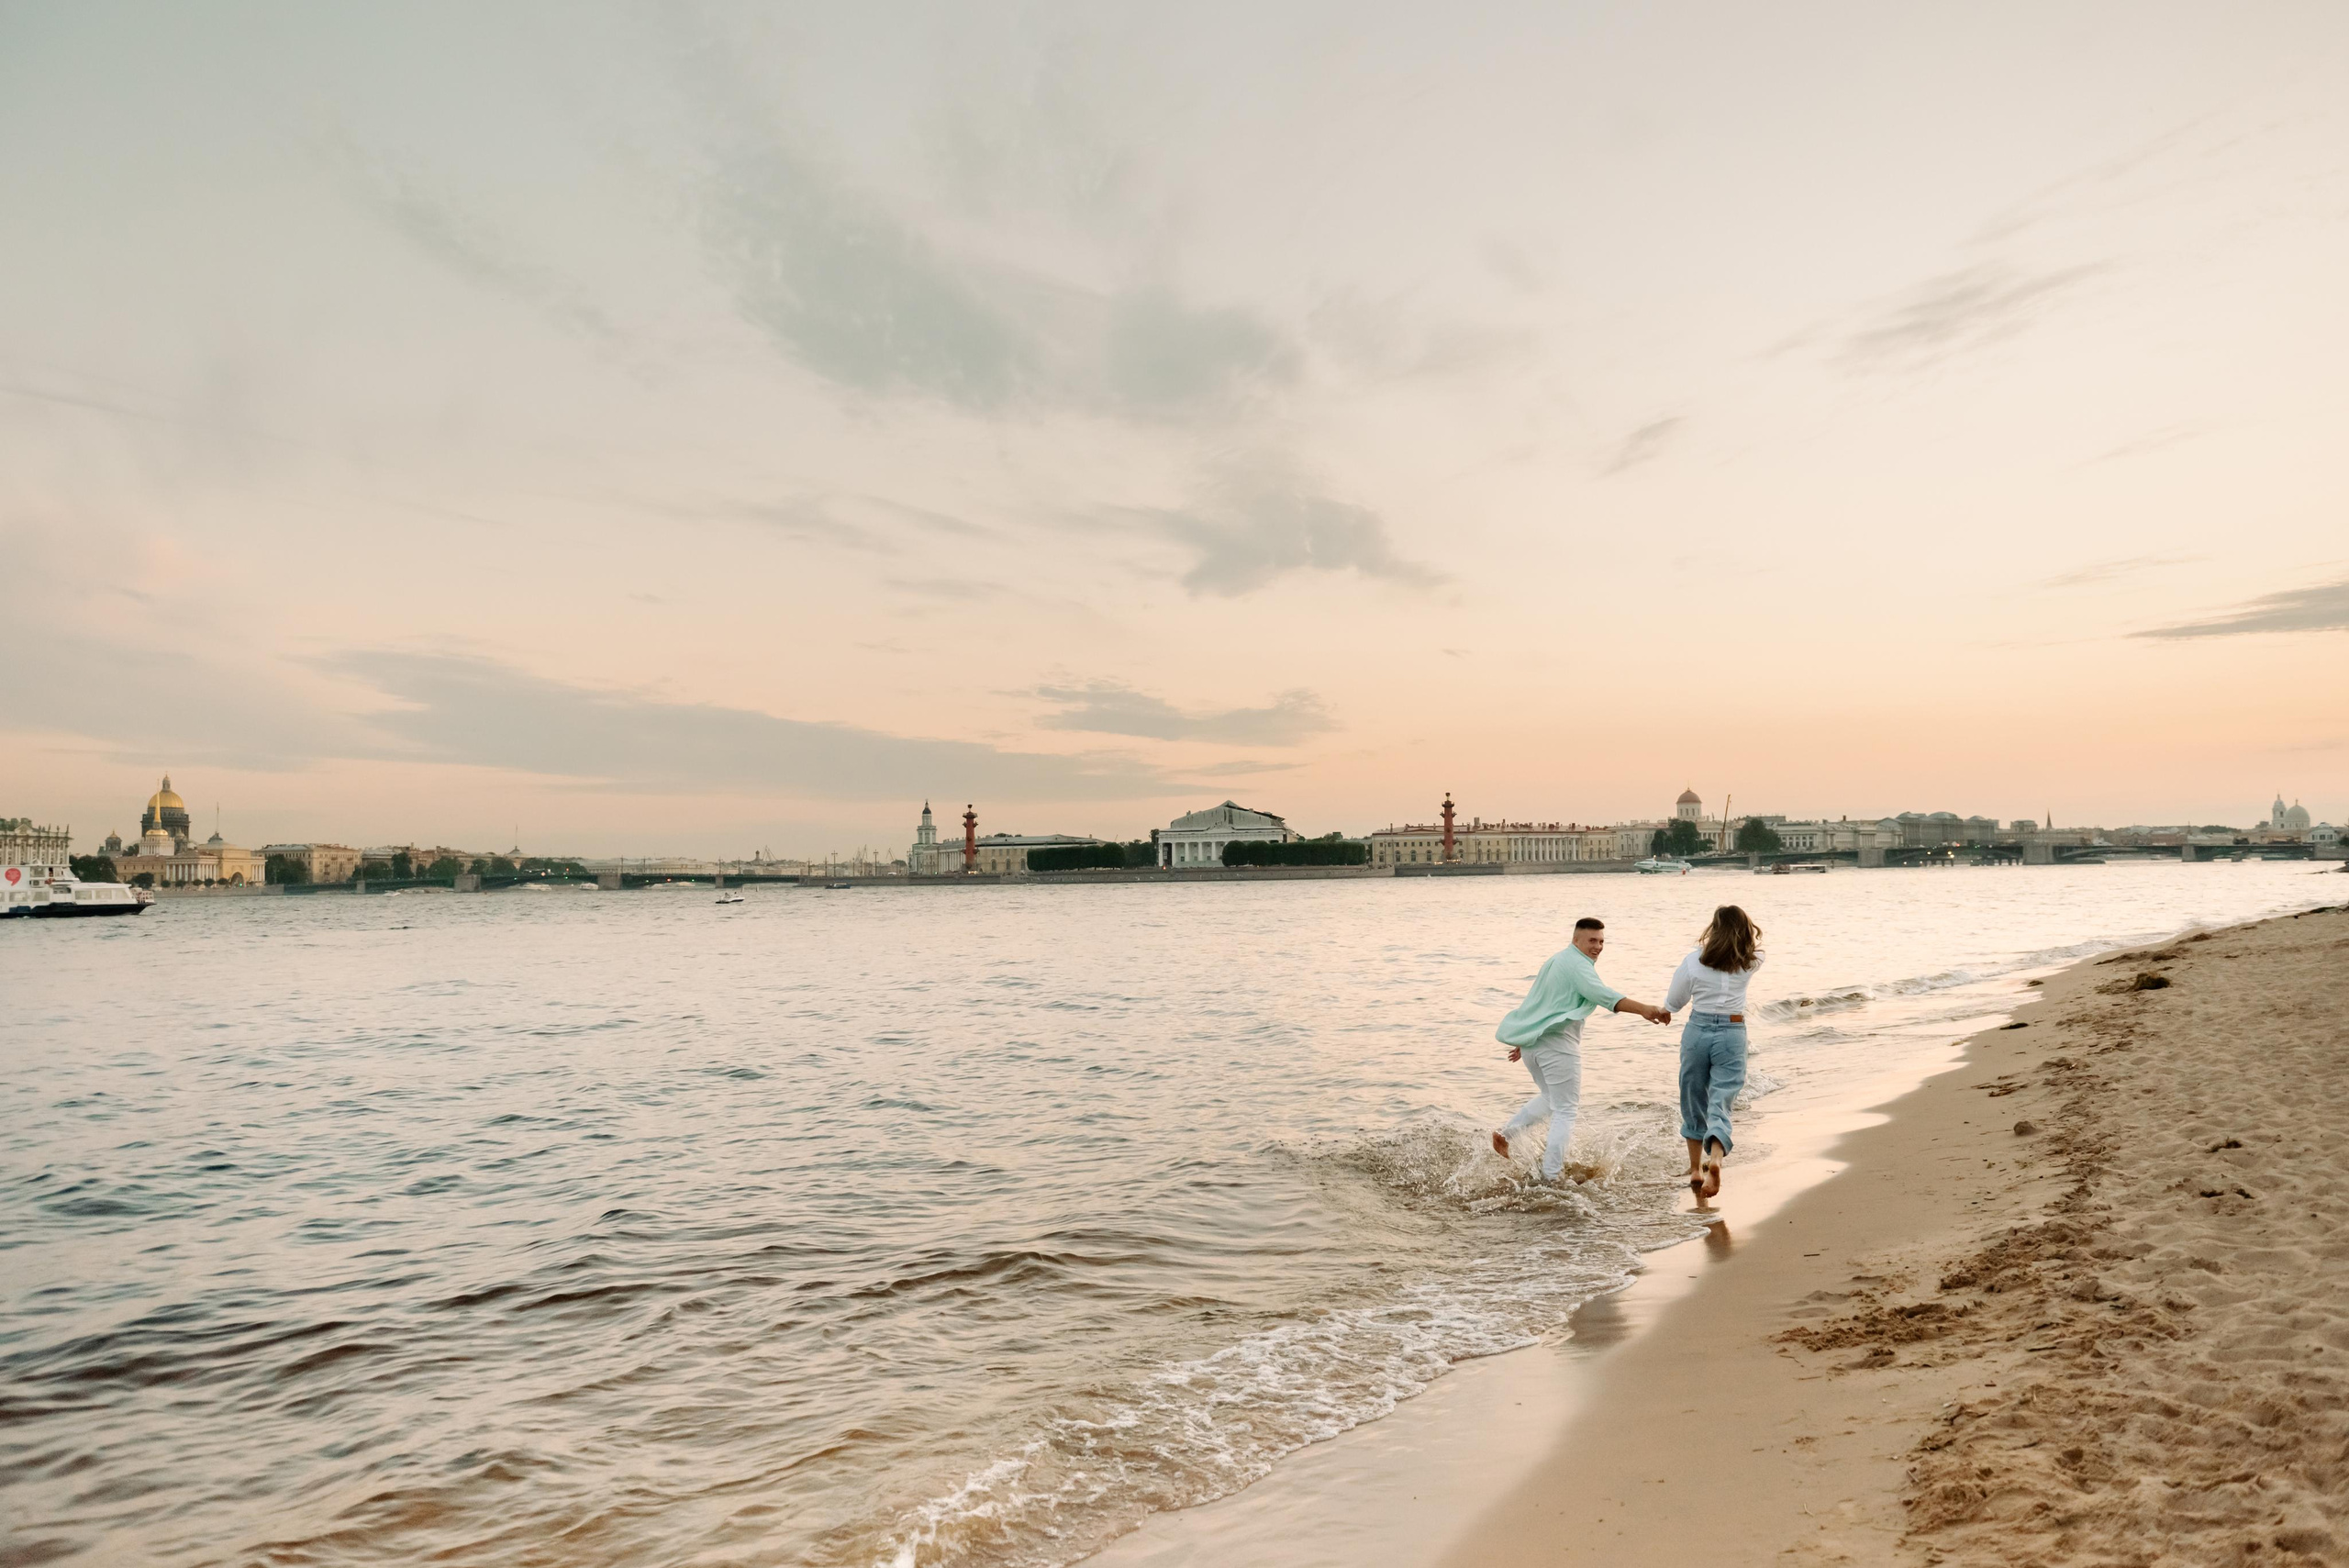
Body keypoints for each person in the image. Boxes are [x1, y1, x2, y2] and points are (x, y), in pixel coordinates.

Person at [1492, 917, 1673, 1184]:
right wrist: (1645, 1009)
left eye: (1601, 941)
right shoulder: (1577, 965)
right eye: (1592, 940)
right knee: (1566, 1109)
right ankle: (1551, 1177)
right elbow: (1605, 995)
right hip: (1557, 1046)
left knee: (1551, 1099)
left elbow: (1537, 1002)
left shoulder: (1556, 960)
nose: (1597, 947)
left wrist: (1525, 1039)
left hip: (1535, 1046)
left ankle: (1508, 1135)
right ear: (1575, 939)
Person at [1666, 906, 1765, 1200]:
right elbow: (1747, 951)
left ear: (1714, 927)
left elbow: (1674, 1001)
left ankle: (1696, 1169)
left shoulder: (1694, 960)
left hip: (1698, 1030)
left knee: (1692, 1096)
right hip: (1733, 1032)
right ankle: (1716, 1160)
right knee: (1721, 1099)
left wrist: (1664, 1012)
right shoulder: (1754, 960)